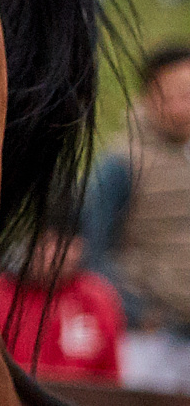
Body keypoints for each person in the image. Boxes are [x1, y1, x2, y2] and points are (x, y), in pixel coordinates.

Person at [85, 44, 190, 389]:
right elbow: (90, 249)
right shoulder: (121, 163)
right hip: (146, 340)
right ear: (149, 95)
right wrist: (137, 313)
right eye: (177, 94)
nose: (185, 106)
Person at [0, 221, 125, 386]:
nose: (55, 253)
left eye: (65, 243)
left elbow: (110, 379)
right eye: (47, 242)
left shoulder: (97, 298)